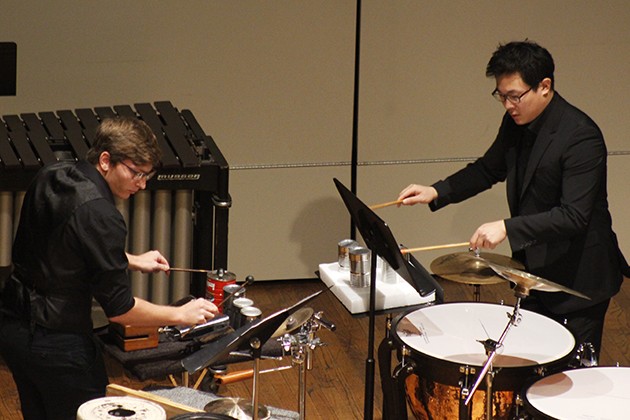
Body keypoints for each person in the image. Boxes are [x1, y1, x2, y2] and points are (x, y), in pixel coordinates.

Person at [397, 40, 629, 358]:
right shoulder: (516, 123)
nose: (507, 105)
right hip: (535, 272)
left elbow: (573, 215)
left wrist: (507, 227)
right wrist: (437, 191)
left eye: (514, 96)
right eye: (501, 96)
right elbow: (489, 168)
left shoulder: (580, 137)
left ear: (544, 86)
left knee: (569, 375)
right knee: (532, 364)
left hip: (579, 281)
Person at [0, 116, 218, 419]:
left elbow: (59, 247)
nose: (142, 185)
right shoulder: (102, 215)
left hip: (12, 329)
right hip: (56, 342)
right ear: (106, 160)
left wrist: (127, 258)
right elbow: (120, 309)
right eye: (136, 173)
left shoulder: (51, 175)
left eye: (147, 176)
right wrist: (179, 314)